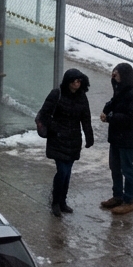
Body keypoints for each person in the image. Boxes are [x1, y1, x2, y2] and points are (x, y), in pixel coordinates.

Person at [36, 69, 93, 217]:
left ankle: (62, 201)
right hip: (58, 139)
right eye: (74, 80)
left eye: (79, 81)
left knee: (67, 173)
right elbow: (45, 114)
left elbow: (85, 118)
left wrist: (89, 136)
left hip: (73, 140)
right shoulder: (57, 94)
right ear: (68, 81)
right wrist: (55, 129)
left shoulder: (82, 97)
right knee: (62, 171)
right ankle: (56, 201)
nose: (76, 83)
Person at [99, 63, 133, 216]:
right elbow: (114, 101)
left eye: (117, 73)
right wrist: (107, 109)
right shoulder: (120, 90)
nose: (114, 75)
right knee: (114, 167)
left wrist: (110, 117)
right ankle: (118, 196)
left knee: (127, 169)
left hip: (127, 139)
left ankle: (128, 201)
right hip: (116, 137)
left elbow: (131, 118)